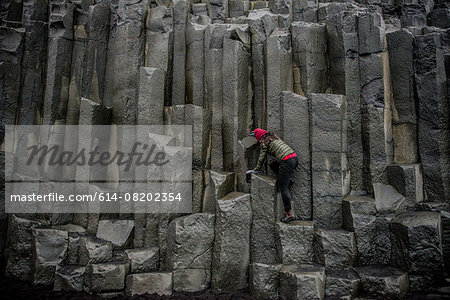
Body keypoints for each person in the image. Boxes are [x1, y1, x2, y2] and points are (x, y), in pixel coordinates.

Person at [247, 128, 299, 223]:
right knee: (273, 165)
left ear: (259, 137)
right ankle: (288, 181)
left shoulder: (264, 143)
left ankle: (289, 215)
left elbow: (261, 158)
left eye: (255, 136)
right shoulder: (274, 137)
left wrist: (256, 170)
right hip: (294, 158)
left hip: (286, 161)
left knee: (283, 188)